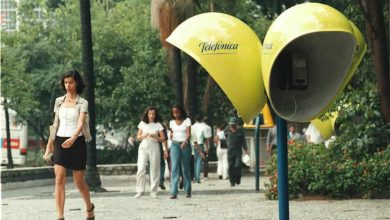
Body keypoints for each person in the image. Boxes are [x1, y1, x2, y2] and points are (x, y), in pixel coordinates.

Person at [43, 69, 95, 220]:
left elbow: (81, 122)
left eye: (70, 82)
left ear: (77, 82)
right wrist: (49, 146)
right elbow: (55, 124)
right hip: (60, 141)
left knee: (79, 181)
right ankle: (60, 216)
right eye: (65, 82)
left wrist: (73, 137)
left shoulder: (82, 102)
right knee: (59, 178)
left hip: (77, 142)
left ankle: (89, 207)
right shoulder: (59, 101)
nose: (68, 85)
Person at [134, 107, 166, 198]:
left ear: (155, 115)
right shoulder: (142, 123)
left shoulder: (158, 125)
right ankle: (140, 190)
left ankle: (153, 191)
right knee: (141, 168)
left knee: (154, 169)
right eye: (150, 114)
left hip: (154, 146)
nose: (151, 116)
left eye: (153, 114)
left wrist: (156, 136)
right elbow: (138, 137)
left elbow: (163, 139)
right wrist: (143, 135)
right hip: (144, 146)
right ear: (147, 114)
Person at [169, 104, 192, 199]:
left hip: (185, 145)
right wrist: (170, 135)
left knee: (185, 167)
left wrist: (186, 141)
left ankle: (187, 190)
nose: (175, 114)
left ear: (181, 111)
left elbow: (188, 133)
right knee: (174, 167)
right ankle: (173, 192)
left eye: (177, 112)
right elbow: (171, 132)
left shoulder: (187, 121)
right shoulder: (171, 122)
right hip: (174, 145)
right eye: (174, 112)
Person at [224, 117, 248, 187]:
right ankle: (232, 181)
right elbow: (224, 136)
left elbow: (243, 141)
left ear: (236, 124)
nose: (232, 126)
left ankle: (238, 178)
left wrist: (246, 149)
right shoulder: (227, 130)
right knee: (230, 166)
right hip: (230, 152)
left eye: (234, 124)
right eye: (231, 124)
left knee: (237, 166)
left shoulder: (240, 130)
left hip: (238, 151)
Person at [190, 114, 206, 183]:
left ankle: (194, 177)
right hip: (200, 144)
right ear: (201, 119)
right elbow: (205, 137)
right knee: (199, 161)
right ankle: (197, 178)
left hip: (193, 144)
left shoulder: (192, 127)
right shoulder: (203, 127)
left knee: (194, 161)